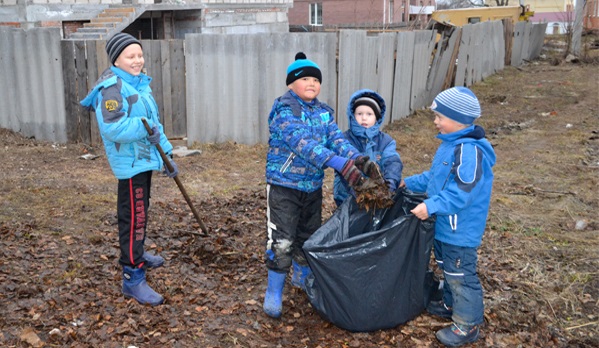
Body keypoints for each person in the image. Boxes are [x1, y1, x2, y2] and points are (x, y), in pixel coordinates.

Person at [263, 52, 376, 318]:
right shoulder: (284, 110)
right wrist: (337, 163)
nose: (312, 83)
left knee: (308, 235)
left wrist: (356, 159)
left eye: (316, 79)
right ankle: (273, 291)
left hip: (312, 187)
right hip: (284, 186)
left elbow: (336, 140)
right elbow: (302, 144)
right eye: (305, 79)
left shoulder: (324, 113)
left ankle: (301, 279)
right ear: (291, 83)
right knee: (281, 240)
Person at [80, 32, 179, 306]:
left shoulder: (138, 84)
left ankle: (138, 252)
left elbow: (154, 125)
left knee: (141, 211)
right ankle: (132, 275)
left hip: (144, 159)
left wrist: (167, 155)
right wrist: (144, 127)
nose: (138, 60)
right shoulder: (111, 88)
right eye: (130, 56)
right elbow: (113, 128)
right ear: (117, 60)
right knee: (133, 217)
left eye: (139, 55)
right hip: (130, 164)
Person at [400, 86, 496, 346]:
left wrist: (430, 206)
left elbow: (462, 192)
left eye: (440, 117)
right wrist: (406, 183)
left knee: (460, 275)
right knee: (446, 266)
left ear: (458, 119)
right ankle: (450, 303)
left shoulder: (469, 152)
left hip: (459, 229)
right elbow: (434, 179)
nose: (436, 121)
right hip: (444, 226)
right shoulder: (450, 145)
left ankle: (467, 324)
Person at [333, 89, 403, 207]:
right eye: (359, 114)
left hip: (378, 196)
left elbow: (393, 162)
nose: (364, 118)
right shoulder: (343, 140)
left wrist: (390, 184)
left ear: (377, 117)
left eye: (369, 114)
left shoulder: (386, 142)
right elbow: (343, 169)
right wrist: (358, 192)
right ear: (352, 116)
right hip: (346, 197)